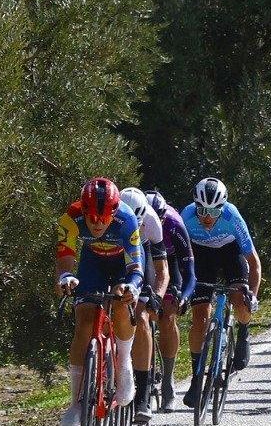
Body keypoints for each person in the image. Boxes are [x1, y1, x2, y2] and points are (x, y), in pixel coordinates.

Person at [55, 178, 143, 426]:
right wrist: (66, 276)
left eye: (103, 218)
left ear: (114, 213)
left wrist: (132, 287)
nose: (97, 223)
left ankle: (124, 363)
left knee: (121, 302)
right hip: (92, 261)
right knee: (84, 320)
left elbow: (136, 268)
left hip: (122, 265)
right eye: (92, 217)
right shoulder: (71, 217)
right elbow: (64, 259)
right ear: (83, 210)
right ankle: (76, 402)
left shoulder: (127, 219)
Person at [180, 178, 262, 409]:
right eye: (202, 210)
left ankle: (243, 331)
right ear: (195, 206)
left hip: (230, 253)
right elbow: (177, 255)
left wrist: (253, 295)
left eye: (214, 211)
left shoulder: (232, 216)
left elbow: (254, 263)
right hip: (201, 256)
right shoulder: (186, 216)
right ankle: (197, 377)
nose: (207, 216)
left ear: (222, 208)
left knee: (240, 300)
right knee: (199, 318)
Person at [120, 188, 170, 424]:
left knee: (141, 317)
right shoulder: (113, 216)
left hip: (142, 254)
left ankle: (142, 396)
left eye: (137, 223)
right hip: (114, 251)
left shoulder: (152, 223)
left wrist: (157, 296)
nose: (134, 227)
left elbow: (162, 270)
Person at [145, 190, 196, 413]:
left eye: (160, 220)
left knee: (167, 314)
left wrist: (184, 296)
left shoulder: (174, 224)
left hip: (170, 263)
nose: (156, 224)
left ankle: (167, 381)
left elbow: (190, 271)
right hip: (145, 260)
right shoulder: (135, 219)